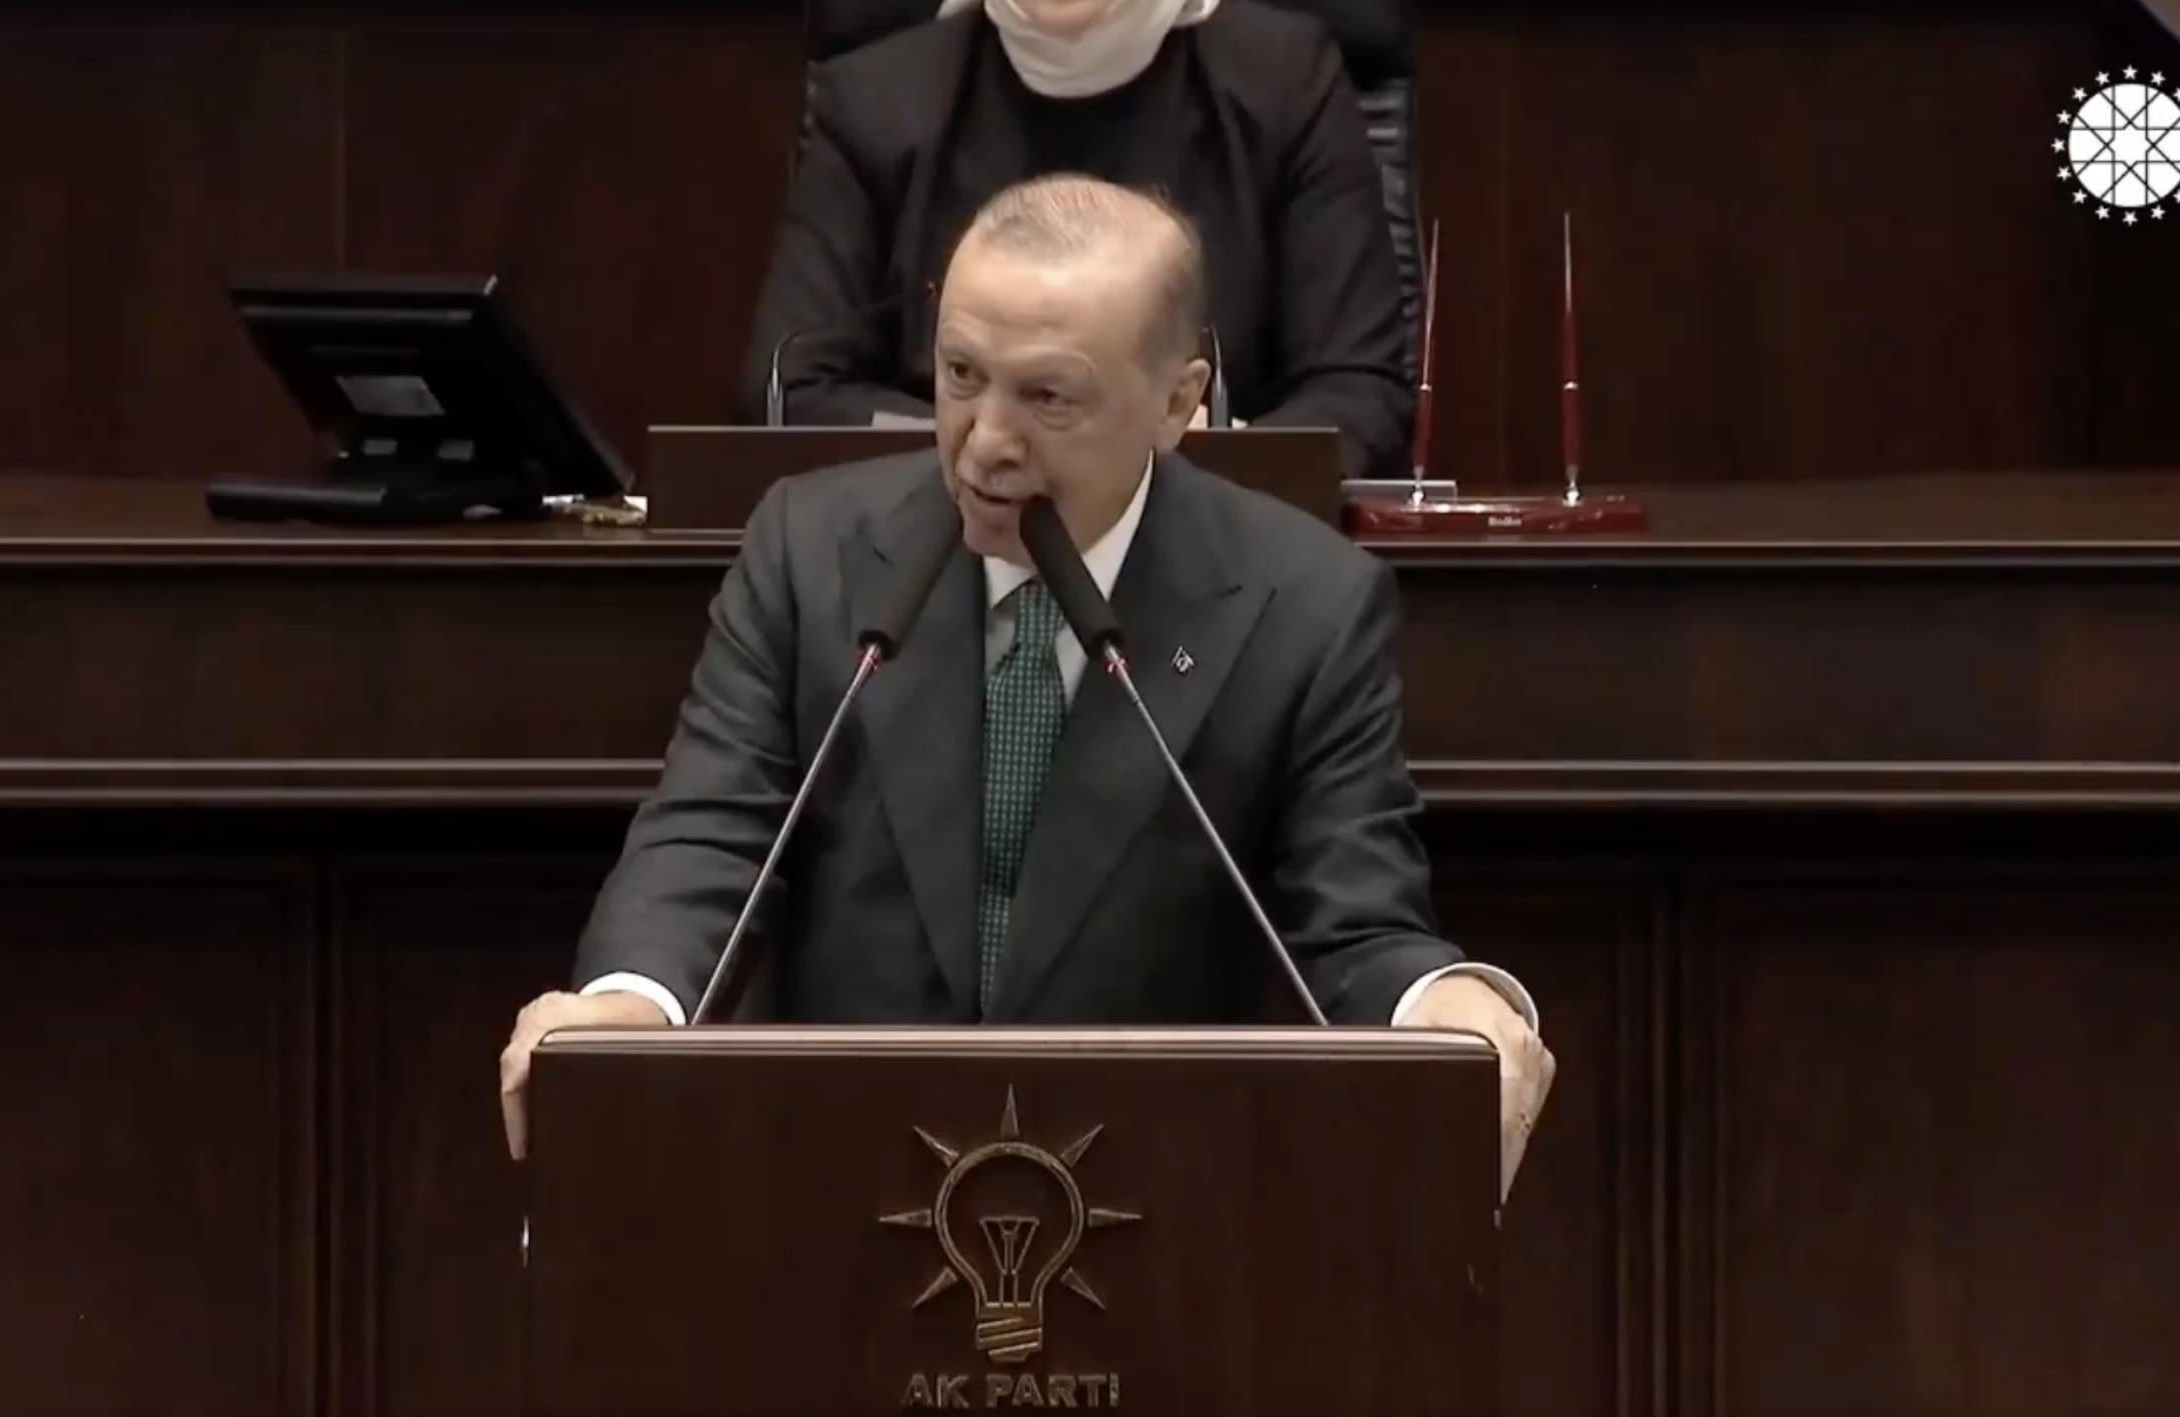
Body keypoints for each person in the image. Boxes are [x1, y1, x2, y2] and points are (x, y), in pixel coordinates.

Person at [505, 175, 1549, 1191]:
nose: (985, 443)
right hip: (838, 1170)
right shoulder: (810, 549)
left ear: (1178, 402)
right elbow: (710, 833)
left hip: (1160, 1193)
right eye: (961, 374)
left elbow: (1355, 919)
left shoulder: (1305, 602)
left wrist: (1444, 1005)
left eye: (1047, 396)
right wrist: (629, 1002)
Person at [739, 0, 1416, 479]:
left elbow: (1358, 393)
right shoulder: (877, 101)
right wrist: (999, 446)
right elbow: (792, 387)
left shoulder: (1284, 83)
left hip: (1212, 556)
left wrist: (1200, 473)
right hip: (945, 546)